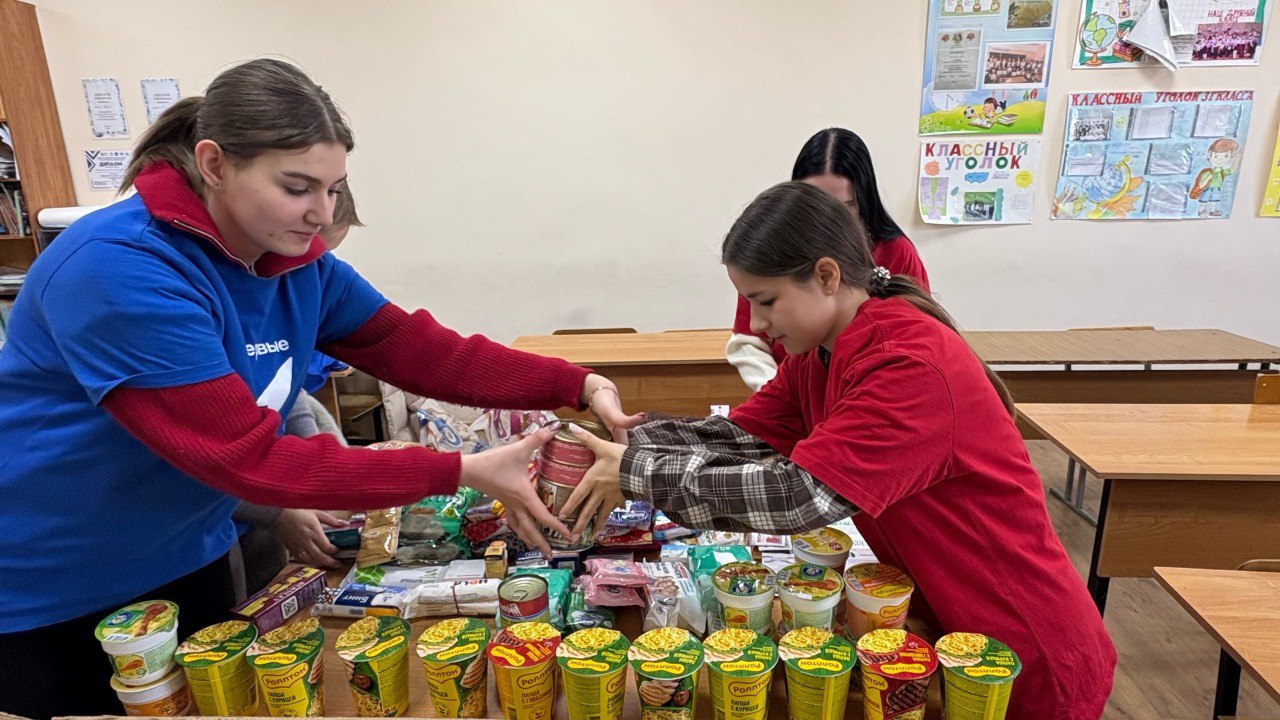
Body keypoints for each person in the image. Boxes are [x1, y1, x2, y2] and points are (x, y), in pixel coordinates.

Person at [0, 58, 639, 719]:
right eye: (298, 186)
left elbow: (419, 350)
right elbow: (247, 459)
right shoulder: (118, 268)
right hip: (59, 579)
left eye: (334, 189)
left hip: (188, 549)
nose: (321, 213)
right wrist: (459, 469)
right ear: (214, 164)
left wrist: (575, 382)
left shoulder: (292, 261)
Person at [561, 181, 1116, 720]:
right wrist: (629, 438)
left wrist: (638, 472)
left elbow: (798, 497)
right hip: (949, 627)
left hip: (1024, 647)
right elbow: (744, 438)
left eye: (766, 300)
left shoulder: (908, 365)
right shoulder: (820, 356)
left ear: (827, 275)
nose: (756, 324)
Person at [727, 128, 929, 391]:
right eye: (812, 204)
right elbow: (748, 341)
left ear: (827, 276)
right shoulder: (772, 254)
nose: (824, 221)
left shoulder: (896, 253)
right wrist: (780, 391)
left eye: (842, 208)